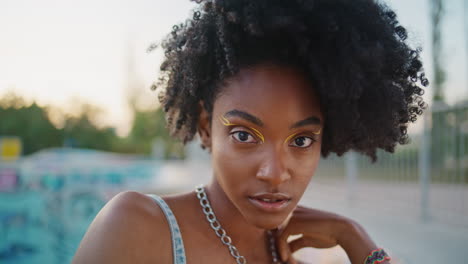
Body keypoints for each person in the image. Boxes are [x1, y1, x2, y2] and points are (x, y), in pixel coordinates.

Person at [72, 0, 428, 263]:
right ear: (204, 127)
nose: (274, 173)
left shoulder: (288, 257)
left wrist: (354, 238)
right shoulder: (139, 228)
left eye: (301, 140)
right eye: (244, 135)